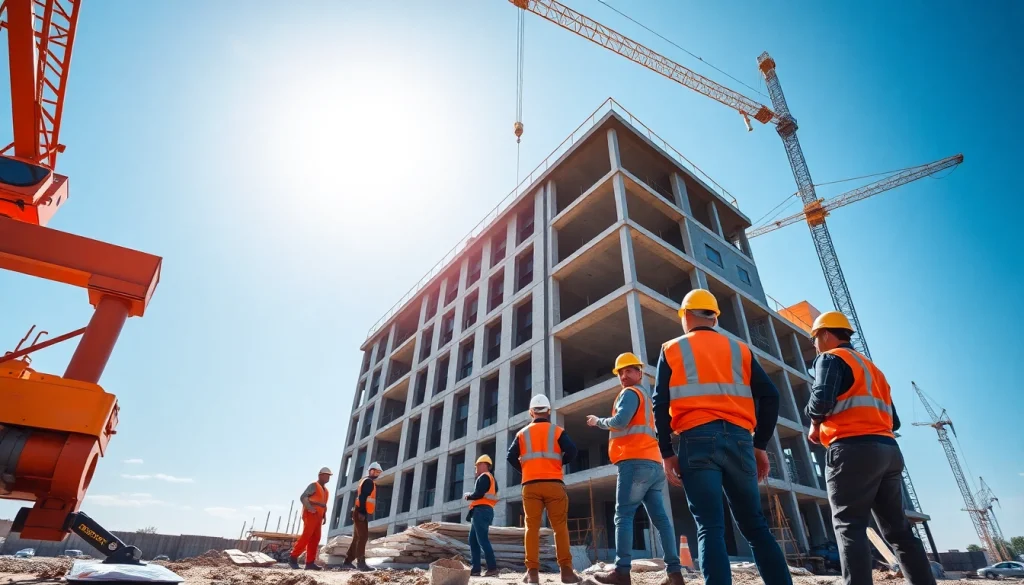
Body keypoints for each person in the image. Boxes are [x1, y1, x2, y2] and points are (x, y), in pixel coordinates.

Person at [652, 289, 791, 585]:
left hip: (697, 439)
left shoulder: (672, 348)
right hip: (741, 440)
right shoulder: (739, 349)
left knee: (709, 526)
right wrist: (760, 444)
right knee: (755, 525)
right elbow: (770, 396)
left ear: (686, 315)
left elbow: (660, 403)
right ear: (714, 317)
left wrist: (666, 452)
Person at [805, 311, 934, 585]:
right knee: (899, 531)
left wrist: (814, 422)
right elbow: (894, 420)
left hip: (852, 449)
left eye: (815, 339)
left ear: (826, 334)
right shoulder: (874, 370)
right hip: (888, 451)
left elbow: (821, 401)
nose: (814, 345)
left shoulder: (830, 358)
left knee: (849, 526)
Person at [586, 352, 685, 585]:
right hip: (653, 464)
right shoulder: (647, 399)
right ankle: (674, 573)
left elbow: (620, 422)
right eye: (620, 372)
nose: (623, 375)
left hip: (634, 462)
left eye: (629, 370)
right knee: (661, 520)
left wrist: (597, 421)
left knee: (624, 516)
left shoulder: (630, 394)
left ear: (640, 373)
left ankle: (621, 572)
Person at [507, 394, 580, 584]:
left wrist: (525, 469)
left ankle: (532, 574)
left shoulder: (521, 434)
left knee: (531, 528)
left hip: (530, 485)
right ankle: (566, 572)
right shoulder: (557, 431)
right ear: (548, 412)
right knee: (560, 528)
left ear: (531, 412)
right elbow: (572, 450)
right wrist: (558, 463)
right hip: (554, 484)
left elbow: (510, 456)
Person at [341, 462, 383, 572]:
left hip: (358, 511)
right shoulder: (369, 482)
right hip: (360, 512)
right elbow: (363, 497)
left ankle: (347, 562)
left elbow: (359, 498)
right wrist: (362, 512)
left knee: (357, 538)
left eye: (379, 472)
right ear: (371, 471)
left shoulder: (364, 481)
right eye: (376, 471)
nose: (377, 474)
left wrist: (355, 510)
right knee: (363, 537)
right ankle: (361, 563)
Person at [288, 467, 332, 571]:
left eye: (329, 476)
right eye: (326, 475)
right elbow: (303, 497)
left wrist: (324, 516)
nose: (328, 478)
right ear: (320, 475)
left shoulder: (326, 491)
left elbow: (323, 505)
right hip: (311, 514)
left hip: (319, 516)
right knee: (307, 536)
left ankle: (310, 563)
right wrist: (310, 508)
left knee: (316, 538)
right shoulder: (314, 485)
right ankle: (293, 557)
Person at [464, 454, 500, 577]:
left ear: (482, 464)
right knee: (473, 540)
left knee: (482, 540)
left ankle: (492, 568)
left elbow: (479, 494)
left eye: (477, 466)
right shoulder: (491, 479)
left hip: (481, 511)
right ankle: (475, 569)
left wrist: (469, 496)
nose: (476, 469)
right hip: (483, 511)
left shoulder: (484, 477)